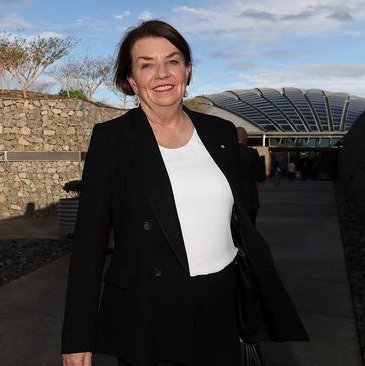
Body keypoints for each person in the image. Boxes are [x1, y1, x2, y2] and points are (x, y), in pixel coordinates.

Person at [61, 20, 307, 366]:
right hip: (149, 308)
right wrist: (77, 337)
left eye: (172, 61)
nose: (161, 73)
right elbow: (88, 244)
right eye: (147, 64)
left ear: (187, 70)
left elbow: (244, 212)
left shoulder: (219, 132)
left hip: (223, 304)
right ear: (132, 80)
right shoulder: (112, 140)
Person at [236, 127, 266, 225]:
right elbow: (261, 178)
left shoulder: (227, 153)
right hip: (250, 200)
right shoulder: (252, 153)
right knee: (250, 230)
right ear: (245, 138)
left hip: (233, 201)